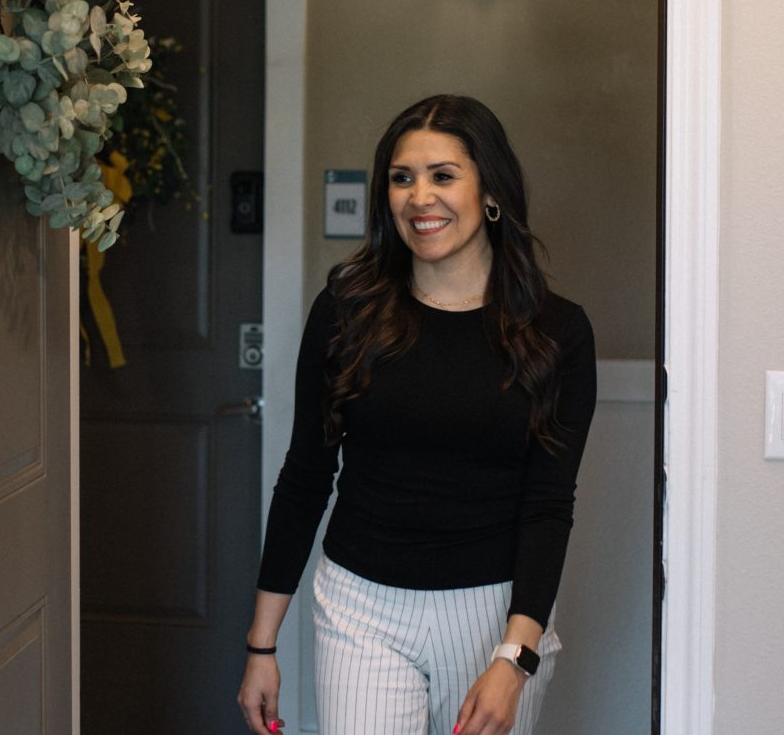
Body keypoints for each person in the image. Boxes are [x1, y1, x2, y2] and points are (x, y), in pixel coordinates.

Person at [236, 95, 597, 735]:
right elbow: (305, 476)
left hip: (493, 614)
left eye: (443, 175)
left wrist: (514, 658)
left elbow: (549, 503)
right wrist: (261, 645)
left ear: (490, 191)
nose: (419, 197)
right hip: (359, 606)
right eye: (402, 178)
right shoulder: (345, 310)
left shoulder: (556, 332)